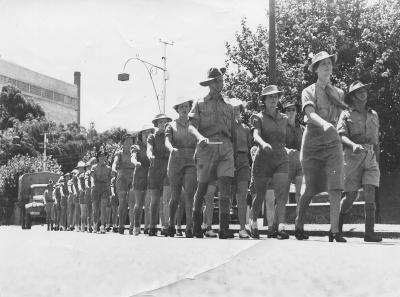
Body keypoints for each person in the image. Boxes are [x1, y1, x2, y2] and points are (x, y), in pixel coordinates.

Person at [295, 51, 347, 242]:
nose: (327, 67)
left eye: (329, 63)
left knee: (335, 187)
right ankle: (299, 223)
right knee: (310, 187)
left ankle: (334, 231)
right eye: (322, 64)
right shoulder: (308, 91)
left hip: (333, 144)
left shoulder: (339, 93)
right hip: (313, 144)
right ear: (315, 70)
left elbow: (343, 116)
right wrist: (324, 124)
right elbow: (310, 114)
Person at [189, 66, 236, 239]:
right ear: (209, 83)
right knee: (202, 187)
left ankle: (224, 228)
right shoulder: (200, 103)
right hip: (206, 146)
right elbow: (191, 126)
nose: (220, 83)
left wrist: (235, 155)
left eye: (221, 80)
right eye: (216, 80)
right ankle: (196, 227)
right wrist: (200, 137)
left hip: (225, 147)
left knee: (225, 186)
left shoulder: (229, 106)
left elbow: (233, 132)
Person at [337, 81, 382, 242]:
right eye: (359, 91)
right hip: (352, 156)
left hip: (370, 157)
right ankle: (337, 228)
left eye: (364, 90)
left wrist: (376, 161)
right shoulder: (346, 114)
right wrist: (353, 145)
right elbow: (341, 135)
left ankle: (369, 232)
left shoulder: (373, 114)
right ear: (353, 97)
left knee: (370, 191)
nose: (363, 93)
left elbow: (376, 142)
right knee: (351, 196)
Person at [249, 85, 290, 240]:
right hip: (263, 159)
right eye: (270, 97)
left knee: (281, 193)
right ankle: (253, 224)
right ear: (264, 100)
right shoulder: (257, 117)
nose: (273, 99)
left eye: (276, 97)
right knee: (259, 196)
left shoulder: (284, 118)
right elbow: (256, 135)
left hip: (280, 159)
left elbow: (289, 138)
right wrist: (263, 143)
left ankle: (279, 227)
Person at [165, 96, 198, 238]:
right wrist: (171, 149)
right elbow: (167, 141)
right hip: (175, 161)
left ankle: (189, 227)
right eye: (181, 107)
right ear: (177, 110)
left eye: (186, 106)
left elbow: (198, 139)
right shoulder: (171, 125)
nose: (184, 109)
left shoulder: (194, 124)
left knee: (190, 194)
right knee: (176, 196)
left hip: (191, 161)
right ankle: (171, 223)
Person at [147, 114, 172, 236]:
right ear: (156, 124)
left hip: (167, 168)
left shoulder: (170, 136)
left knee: (166, 199)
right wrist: (150, 155)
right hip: (155, 169)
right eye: (160, 122)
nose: (163, 124)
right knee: (155, 199)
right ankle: (152, 226)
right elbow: (149, 148)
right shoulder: (152, 136)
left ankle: (165, 226)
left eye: (165, 122)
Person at [230, 98, 252, 238]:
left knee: (242, 195)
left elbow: (250, 148)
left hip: (243, 161)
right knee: (226, 195)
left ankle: (242, 228)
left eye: (238, 109)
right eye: (233, 109)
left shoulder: (246, 128)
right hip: (228, 160)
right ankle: (223, 227)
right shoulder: (226, 127)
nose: (236, 111)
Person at [131, 124, 154, 236]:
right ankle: (136, 226)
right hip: (139, 176)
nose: (147, 135)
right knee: (139, 204)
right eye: (145, 133)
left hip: (151, 176)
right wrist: (136, 163)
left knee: (149, 203)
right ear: (141, 135)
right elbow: (133, 158)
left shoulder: (153, 146)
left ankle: (148, 227)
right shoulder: (136, 147)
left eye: (150, 132)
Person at [283, 100, 304, 212]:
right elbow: (278, 144)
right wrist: (286, 150)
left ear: (296, 112)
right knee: (283, 195)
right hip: (286, 163)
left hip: (299, 163)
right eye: (288, 110)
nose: (291, 112)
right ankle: (279, 223)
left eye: (293, 109)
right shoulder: (281, 127)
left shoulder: (302, 128)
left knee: (299, 194)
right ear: (285, 112)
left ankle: (298, 221)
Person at [112, 134, 135, 234]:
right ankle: (121, 225)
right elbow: (115, 162)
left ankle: (132, 226)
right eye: (127, 141)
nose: (129, 143)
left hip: (133, 177)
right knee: (122, 202)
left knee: (132, 202)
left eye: (131, 141)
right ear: (123, 143)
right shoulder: (119, 153)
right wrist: (113, 168)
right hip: (122, 177)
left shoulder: (134, 152)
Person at [91, 150, 112, 234]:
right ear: (98, 157)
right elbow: (92, 177)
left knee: (103, 208)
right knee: (96, 209)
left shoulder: (109, 168)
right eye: (100, 156)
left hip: (105, 188)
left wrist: (110, 190)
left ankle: (102, 226)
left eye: (104, 156)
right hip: (96, 187)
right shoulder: (94, 167)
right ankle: (95, 225)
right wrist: (92, 184)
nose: (102, 157)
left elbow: (110, 180)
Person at [85, 157, 97, 233]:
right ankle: (89, 226)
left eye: (96, 162)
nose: (95, 163)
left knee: (96, 209)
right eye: (93, 162)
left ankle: (95, 225)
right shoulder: (88, 172)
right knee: (89, 210)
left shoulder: (97, 171)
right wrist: (87, 186)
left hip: (96, 192)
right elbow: (86, 180)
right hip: (89, 192)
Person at [76, 161, 87, 231]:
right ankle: (78, 225)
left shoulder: (86, 175)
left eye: (82, 168)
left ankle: (84, 225)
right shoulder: (76, 176)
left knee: (85, 212)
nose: (81, 169)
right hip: (78, 195)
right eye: (79, 168)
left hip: (85, 194)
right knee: (78, 212)